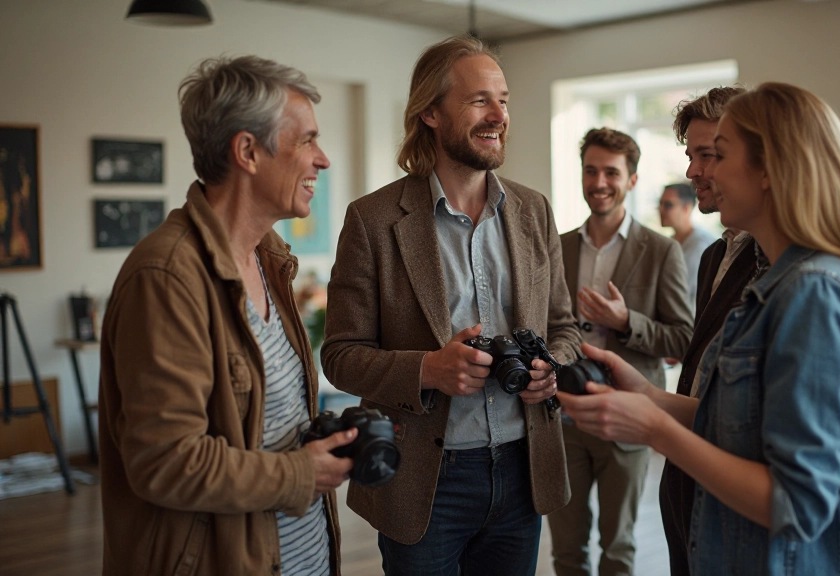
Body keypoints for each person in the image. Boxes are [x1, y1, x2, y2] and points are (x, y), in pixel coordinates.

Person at [557, 82, 840, 575]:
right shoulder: (784, 282)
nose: (698, 174)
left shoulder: (815, 294)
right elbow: (744, 423)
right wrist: (649, 396)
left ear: (769, 170)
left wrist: (654, 427)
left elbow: (798, 503)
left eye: (718, 155)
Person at [320, 35, 581, 576]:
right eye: (479, 100)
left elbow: (565, 329)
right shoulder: (372, 220)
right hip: (425, 481)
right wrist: (427, 369)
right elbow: (340, 355)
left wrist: (549, 368)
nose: (498, 115)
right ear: (431, 113)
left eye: (504, 99)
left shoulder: (534, 211)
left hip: (523, 468)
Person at [98, 56, 355, 576]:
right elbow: (165, 462)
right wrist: (299, 474)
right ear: (247, 151)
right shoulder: (167, 277)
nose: (322, 159)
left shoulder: (270, 261)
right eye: (306, 140)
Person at [551, 128, 693, 576]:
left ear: (631, 180)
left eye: (611, 172)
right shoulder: (558, 246)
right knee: (566, 551)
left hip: (629, 416)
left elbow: (683, 337)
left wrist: (626, 322)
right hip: (564, 414)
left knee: (619, 548)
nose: (599, 182)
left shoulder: (662, 250)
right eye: (590, 170)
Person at [657, 86, 760, 576]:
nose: (693, 171)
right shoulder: (713, 257)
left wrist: (651, 416)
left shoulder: (783, 269)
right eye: (692, 155)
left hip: (733, 484)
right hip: (690, 469)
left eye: (710, 155)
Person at [659, 182, 716, 301]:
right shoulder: (670, 242)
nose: (660, 209)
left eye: (668, 205)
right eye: (660, 203)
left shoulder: (701, 246)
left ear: (687, 207)